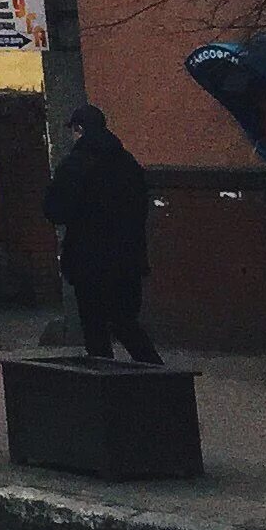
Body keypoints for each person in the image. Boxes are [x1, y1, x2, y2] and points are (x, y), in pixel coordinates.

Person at [44, 103, 160, 364]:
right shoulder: (127, 162)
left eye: (73, 131)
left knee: (95, 330)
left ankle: (106, 388)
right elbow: (141, 206)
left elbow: (56, 210)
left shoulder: (75, 164)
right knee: (125, 323)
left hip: (89, 263)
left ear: (79, 129)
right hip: (128, 259)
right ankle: (160, 377)